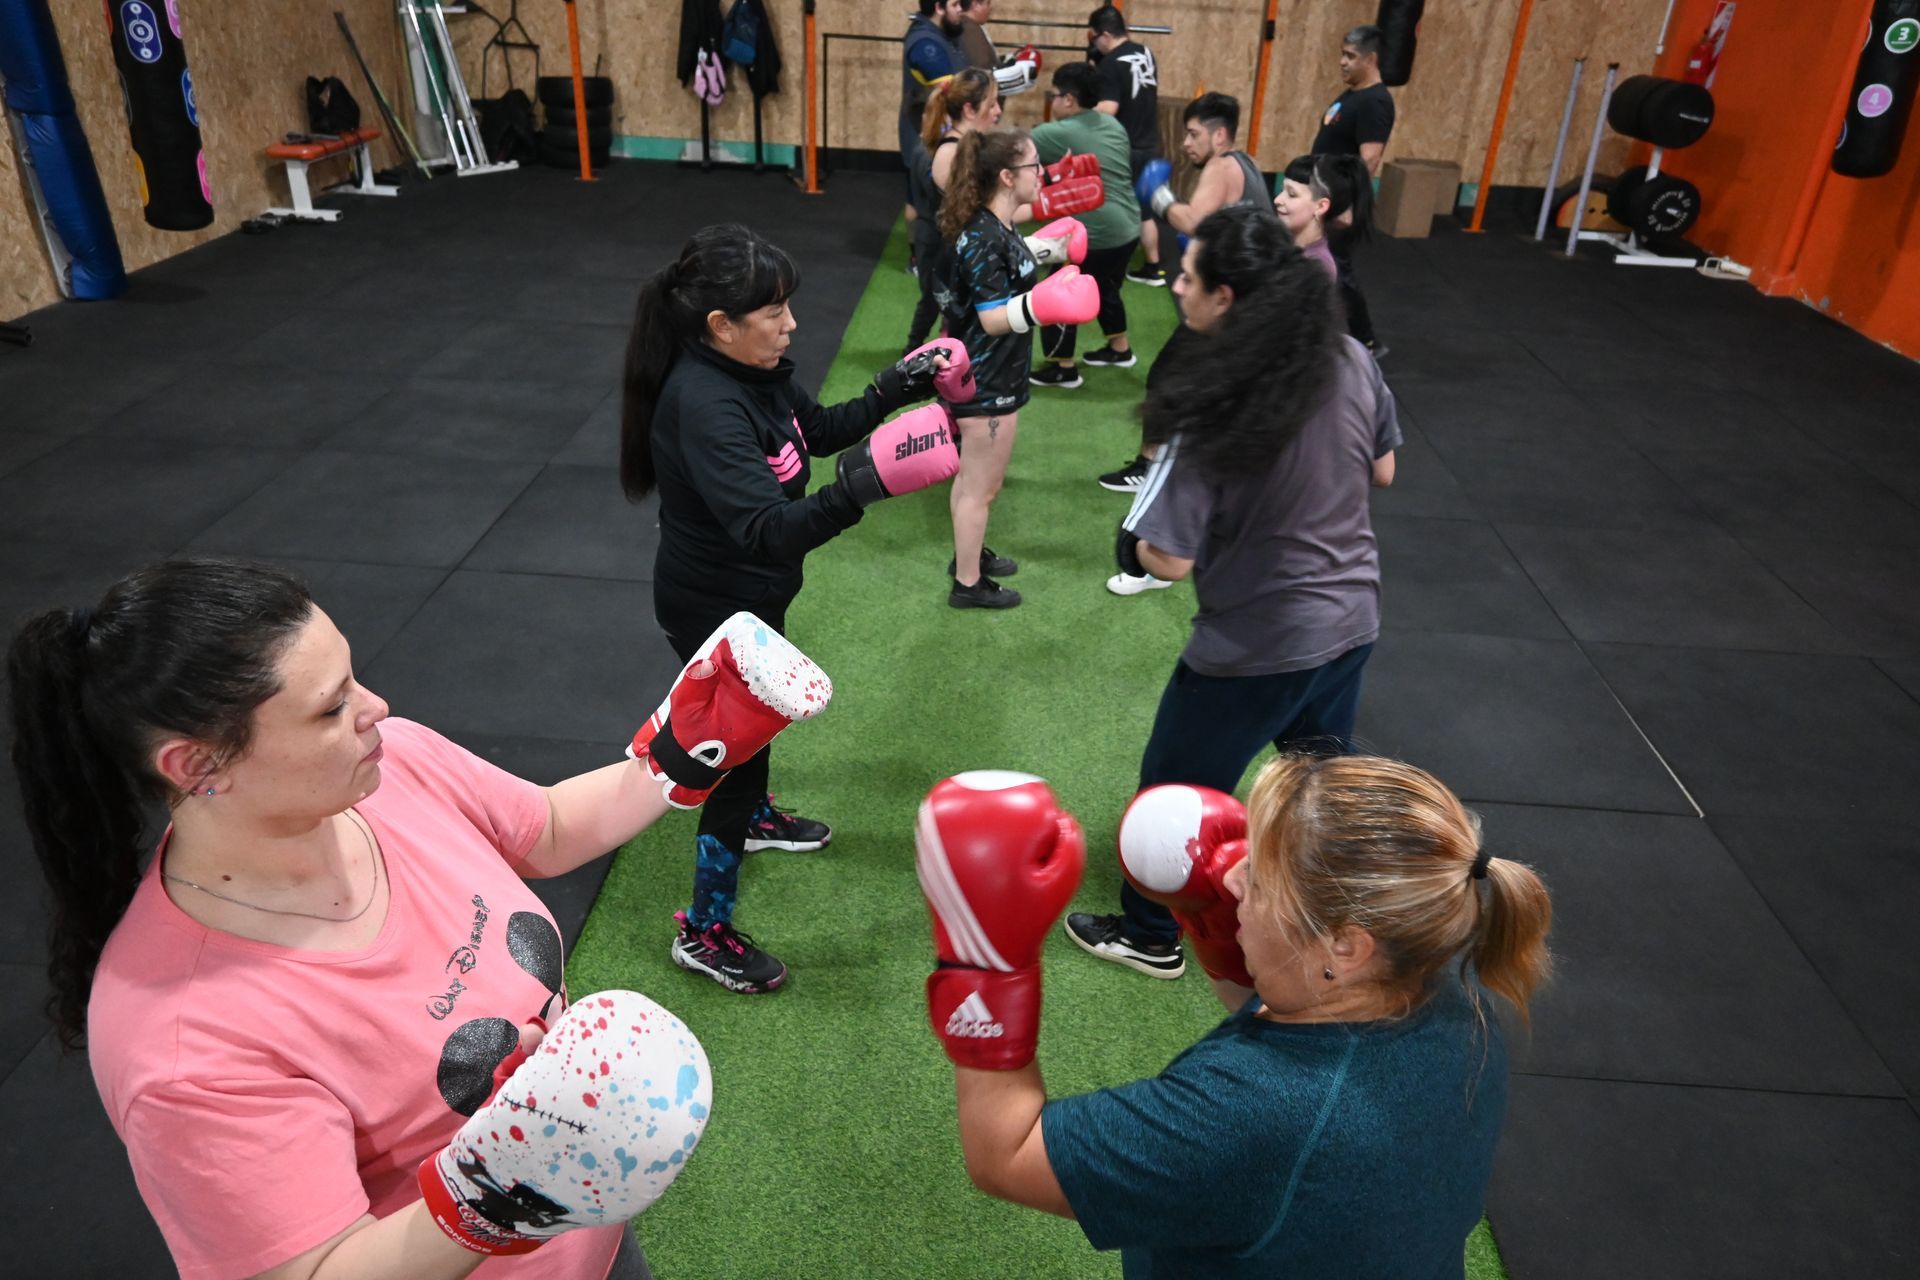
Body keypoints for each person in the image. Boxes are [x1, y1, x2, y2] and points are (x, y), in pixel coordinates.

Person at [7, 556, 810, 1277]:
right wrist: (499, 1192)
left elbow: (551, 828)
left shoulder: (391, 767)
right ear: (197, 765)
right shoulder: (186, 1041)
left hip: (586, 1244)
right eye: (330, 709)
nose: (377, 706)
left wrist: (684, 752)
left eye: (355, 679)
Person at [917, 756, 1554, 1277]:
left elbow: (1007, 1155)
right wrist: (1218, 927)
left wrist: (983, 957)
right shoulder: (1453, 999)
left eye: (1261, 878)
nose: (1231, 881)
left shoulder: (1252, 1112)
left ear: (1346, 946)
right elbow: (1294, 1016)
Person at [623, 223, 960, 990]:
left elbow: (815, 432)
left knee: (756, 735)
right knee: (732, 766)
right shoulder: (704, 403)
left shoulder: (756, 371)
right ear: (721, 326)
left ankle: (759, 816)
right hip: (713, 608)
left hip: (755, 598)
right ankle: (703, 933)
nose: (792, 324)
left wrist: (893, 387)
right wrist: (862, 486)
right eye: (774, 312)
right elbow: (766, 531)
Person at [1066, 206, 1401, 975]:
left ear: (1227, 298)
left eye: (1189, 276)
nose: (1177, 285)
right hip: (1352, 620)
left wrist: (1138, 545)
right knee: (1318, 782)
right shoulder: (1350, 357)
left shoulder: (1212, 401)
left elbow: (1167, 560)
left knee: (1173, 789)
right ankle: (1324, 920)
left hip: (1259, 641)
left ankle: (1149, 932)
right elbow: (1383, 470)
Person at [936, 128, 1100, 610]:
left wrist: (1051, 251)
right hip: (985, 383)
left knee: (974, 482)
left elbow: (1011, 260)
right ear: (1007, 177)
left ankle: (968, 555)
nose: (1043, 174)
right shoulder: (983, 236)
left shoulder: (996, 227)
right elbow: (990, 317)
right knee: (979, 489)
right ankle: (968, 585)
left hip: (988, 376)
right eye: (1034, 167)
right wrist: (1042, 303)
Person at [1026, 60, 1140, 389]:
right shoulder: (1112, 124)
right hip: (1129, 229)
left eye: (1055, 95)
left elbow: (1012, 156)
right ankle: (1120, 349)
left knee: (1057, 289)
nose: (1053, 101)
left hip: (1097, 233)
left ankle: (1063, 368)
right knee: (1106, 287)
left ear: (1070, 100)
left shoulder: (1053, 133)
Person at [1311, 24, 1396, 355]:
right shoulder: (1353, 95)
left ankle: (1367, 341)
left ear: (1370, 59)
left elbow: (1370, 158)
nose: (1342, 62)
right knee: (1325, 265)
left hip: (1340, 200)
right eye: (1342, 55)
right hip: (1324, 195)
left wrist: (1348, 206)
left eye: (1350, 56)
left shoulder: (1375, 101)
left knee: (1339, 270)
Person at [905, 67, 1002, 355]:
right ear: (970, 109)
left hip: (948, 244)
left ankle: (939, 348)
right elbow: (974, 212)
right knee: (934, 301)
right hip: (938, 243)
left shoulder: (967, 148)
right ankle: (913, 351)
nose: (998, 111)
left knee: (953, 309)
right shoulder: (948, 154)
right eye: (992, 103)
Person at [1085, 5, 1164, 286]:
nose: (1094, 44)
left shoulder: (1111, 64)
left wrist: (1083, 111)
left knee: (1116, 206)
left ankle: (1108, 262)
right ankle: (1154, 266)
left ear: (1105, 35)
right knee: (1144, 208)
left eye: (1095, 38)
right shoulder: (1146, 52)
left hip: (1125, 145)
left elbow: (1109, 107)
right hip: (1148, 140)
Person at [1137, 92, 1279, 239]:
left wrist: (1158, 195)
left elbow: (1192, 223)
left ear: (1219, 135)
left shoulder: (1220, 167)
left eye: (1194, 134)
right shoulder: (1248, 161)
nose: (1186, 143)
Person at [901, 0, 971, 236]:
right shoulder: (924, 42)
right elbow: (953, 88)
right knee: (920, 201)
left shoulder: (945, 35)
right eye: (956, 4)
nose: (962, 8)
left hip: (942, 131)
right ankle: (917, 256)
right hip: (924, 132)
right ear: (939, 7)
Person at [1276, 152, 1376, 283]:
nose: (1277, 200)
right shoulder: (1287, 247)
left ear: (1320, 206)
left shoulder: (1316, 268)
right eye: (1282, 191)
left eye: (1292, 194)